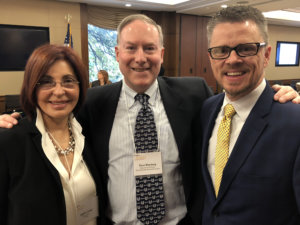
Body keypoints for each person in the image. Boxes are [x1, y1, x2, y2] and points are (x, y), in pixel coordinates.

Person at [0, 14, 299, 225]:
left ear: (162, 54)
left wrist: (285, 96)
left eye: (149, 48)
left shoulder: (195, 94)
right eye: (130, 48)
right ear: (117, 54)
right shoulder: (94, 102)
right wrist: (13, 119)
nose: (140, 57)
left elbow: (239, 102)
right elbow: (53, 110)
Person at [198, 6, 300, 225]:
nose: (232, 59)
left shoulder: (295, 122)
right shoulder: (206, 110)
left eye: (245, 48)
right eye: (221, 50)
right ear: (211, 57)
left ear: (266, 55)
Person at [0, 44, 107, 225]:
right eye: (46, 81)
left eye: (68, 81)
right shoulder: (9, 142)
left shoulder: (89, 133)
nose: (59, 91)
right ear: (32, 86)